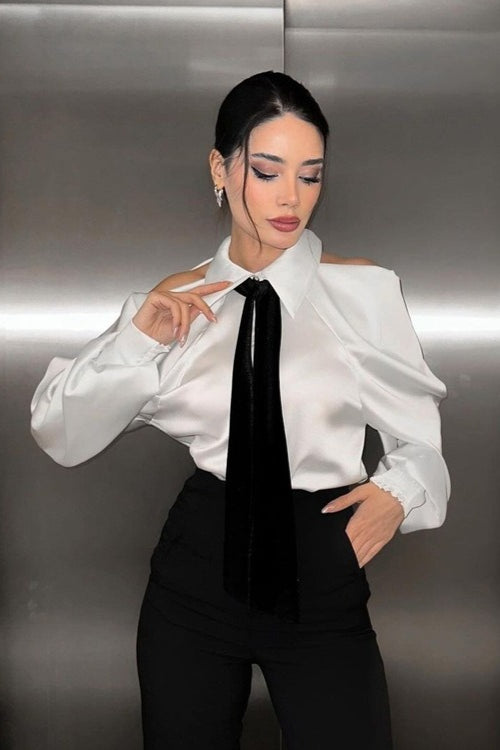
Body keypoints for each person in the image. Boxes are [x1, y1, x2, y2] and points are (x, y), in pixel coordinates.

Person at [30, 70, 451, 749]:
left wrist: (399, 494)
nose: (291, 198)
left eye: (310, 176)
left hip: (320, 564)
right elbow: (61, 434)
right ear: (220, 170)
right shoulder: (176, 302)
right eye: (267, 171)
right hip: (196, 575)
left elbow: (421, 445)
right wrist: (139, 340)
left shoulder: (366, 294)